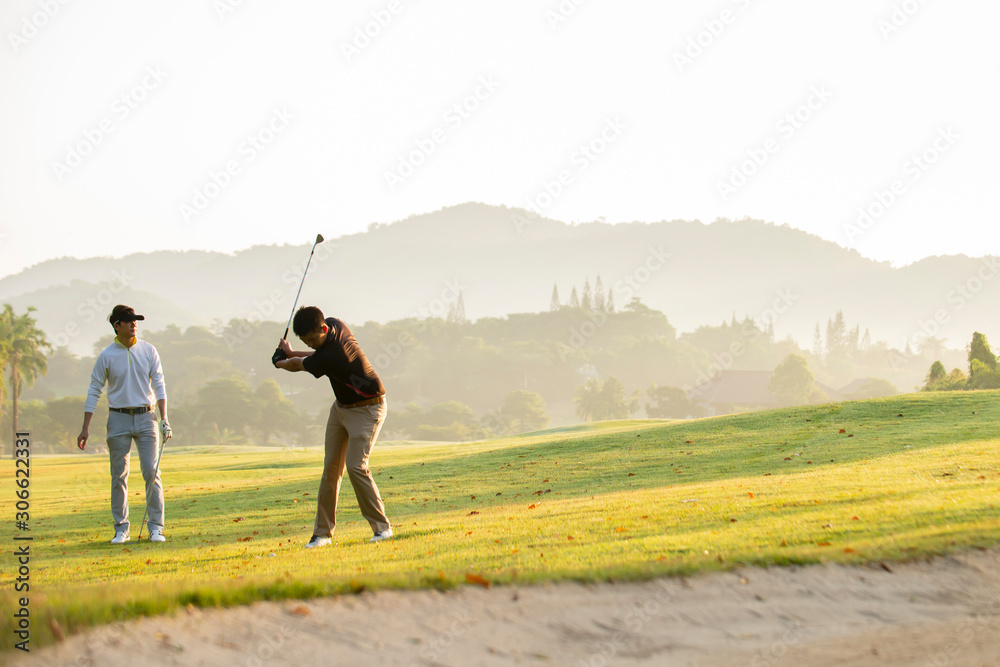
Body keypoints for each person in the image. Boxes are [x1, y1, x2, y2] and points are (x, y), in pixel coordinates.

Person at [273, 306, 392, 547]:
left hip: (368, 409)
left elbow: (299, 364)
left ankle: (383, 529)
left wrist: (279, 362)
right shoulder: (335, 324)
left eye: (312, 339)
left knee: (356, 467)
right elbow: (311, 354)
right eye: (306, 340)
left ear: (323, 329)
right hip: (341, 409)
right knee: (331, 469)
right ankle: (323, 534)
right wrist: (290, 352)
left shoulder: (334, 354)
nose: (311, 343)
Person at [78, 305, 171, 544]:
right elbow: (93, 390)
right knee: (119, 475)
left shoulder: (149, 351)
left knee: (151, 472)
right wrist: (86, 427)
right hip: (117, 418)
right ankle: (121, 528)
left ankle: (156, 527)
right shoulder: (107, 355)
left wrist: (164, 418)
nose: (134, 324)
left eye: (135, 321)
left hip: (147, 417)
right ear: (116, 325)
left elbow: (159, 386)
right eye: (128, 321)